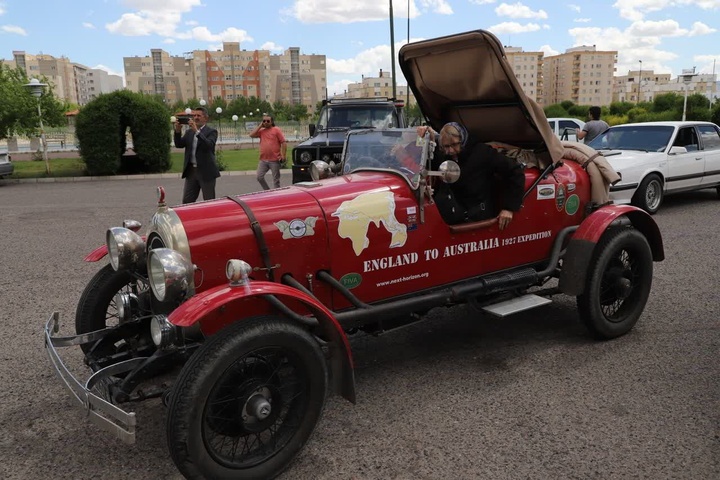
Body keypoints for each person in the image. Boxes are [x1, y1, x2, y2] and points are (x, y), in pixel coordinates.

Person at [418, 122, 524, 230]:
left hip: (476, 216)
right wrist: (424, 139)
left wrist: (509, 208)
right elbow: (423, 162)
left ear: (463, 139)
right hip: (450, 212)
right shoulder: (444, 154)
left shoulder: (482, 152)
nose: (450, 150)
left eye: (454, 145)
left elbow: (514, 171)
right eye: (446, 146)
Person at [173, 106, 220, 204]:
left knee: (209, 200)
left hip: (206, 171)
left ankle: (210, 218)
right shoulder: (189, 132)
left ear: (205, 118)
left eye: (199, 115)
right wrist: (177, 131)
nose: (196, 117)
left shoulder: (211, 132)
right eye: (194, 115)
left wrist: (197, 132)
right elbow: (179, 144)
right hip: (191, 171)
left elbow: (209, 145)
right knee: (187, 201)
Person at [250, 114, 287, 190]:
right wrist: (260, 126)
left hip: (274, 160)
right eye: (264, 121)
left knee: (276, 180)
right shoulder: (261, 131)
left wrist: (283, 155)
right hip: (263, 160)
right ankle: (267, 191)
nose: (266, 122)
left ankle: (277, 195)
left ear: (272, 122)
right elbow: (251, 135)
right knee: (259, 177)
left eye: (268, 121)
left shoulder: (276, 130)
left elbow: (283, 142)